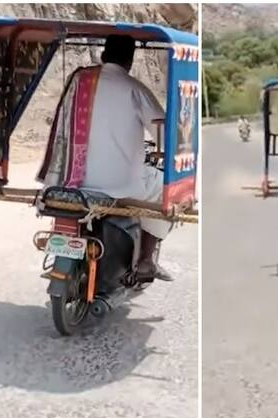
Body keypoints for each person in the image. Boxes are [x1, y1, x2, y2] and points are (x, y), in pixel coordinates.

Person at [81, 34, 173, 283]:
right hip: (118, 185)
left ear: (103, 55)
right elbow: (164, 133)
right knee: (162, 189)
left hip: (74, 178)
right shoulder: (134, 89)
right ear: (130, 60)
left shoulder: (79, 83)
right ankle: (145, 260)